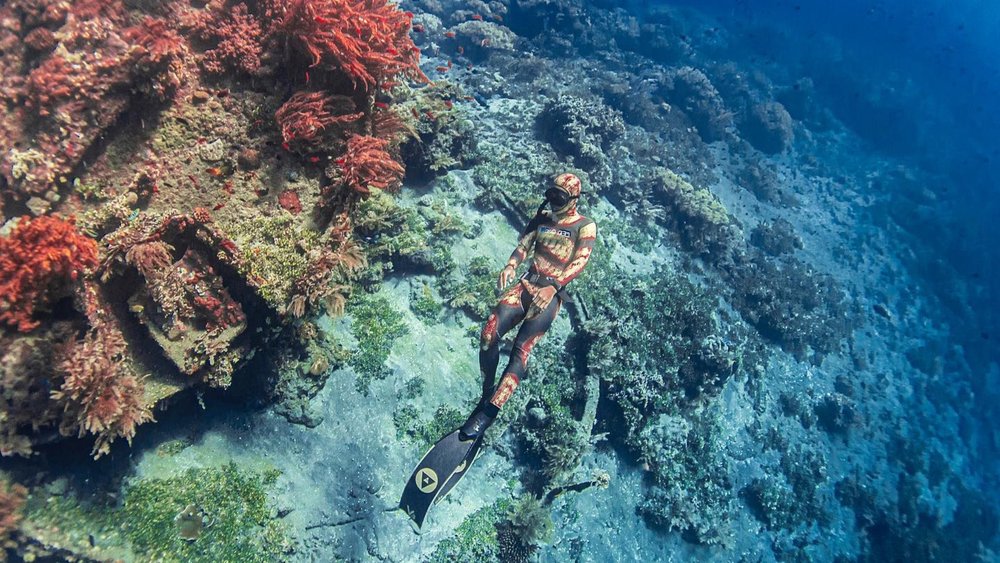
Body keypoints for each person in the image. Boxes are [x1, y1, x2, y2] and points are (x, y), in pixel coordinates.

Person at [460, 172, 598, 438]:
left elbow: (580, 261)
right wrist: (512, 264)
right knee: (489, 333)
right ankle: (487, 391)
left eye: (561, 196)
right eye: (552, 193)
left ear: (574, 200)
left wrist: (554, 286)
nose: (554, 200)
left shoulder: (585, 225)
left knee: (521, 351)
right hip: (525, 285)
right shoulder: (542, 218)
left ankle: (489, 412)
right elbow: (524, 246)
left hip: (549, 295)